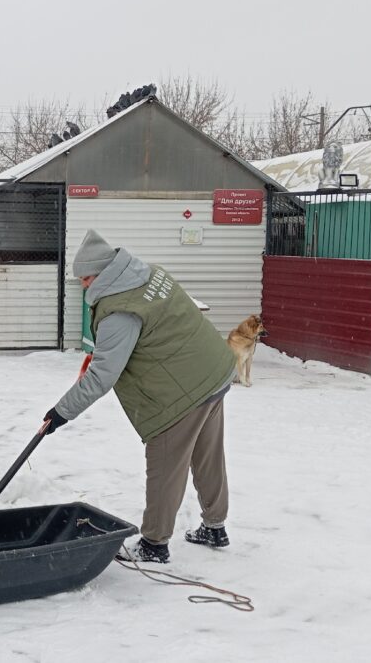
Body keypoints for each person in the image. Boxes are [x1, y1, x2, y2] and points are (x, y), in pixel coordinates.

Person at [44, 230, 236, 564]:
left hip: (178, 392)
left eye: (87, 279)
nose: (85, 286)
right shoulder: (148, 273)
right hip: (211, 371)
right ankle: (215, 525)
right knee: (207, 454)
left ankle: (154, 544)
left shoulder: (119, 310)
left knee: (165, 466)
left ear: (104, 272)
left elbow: (103, 377)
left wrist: (60, 413)